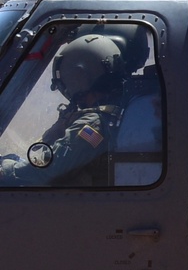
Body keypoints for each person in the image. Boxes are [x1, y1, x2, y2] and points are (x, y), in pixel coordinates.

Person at [0, 33, 126, 187]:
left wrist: (5, 170)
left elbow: (49, 169)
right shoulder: (105, 115)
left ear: (80, 76)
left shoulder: (92, 125)